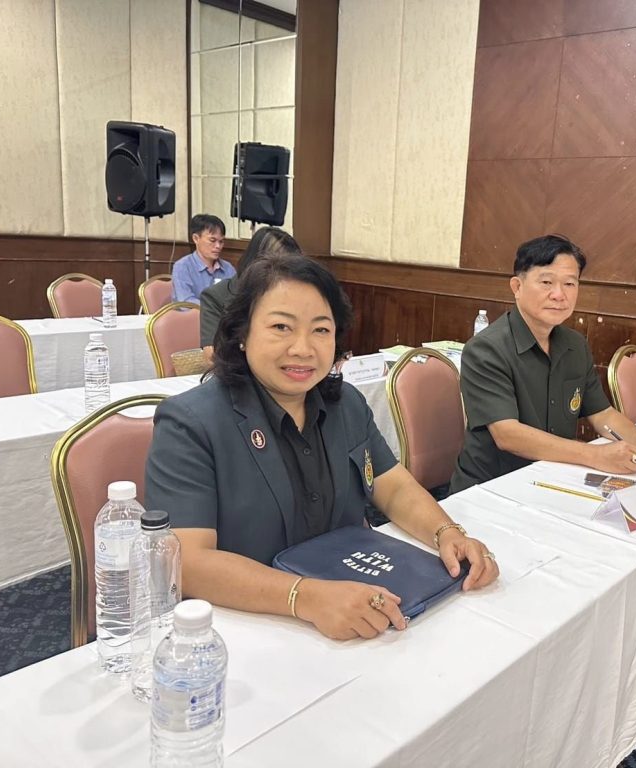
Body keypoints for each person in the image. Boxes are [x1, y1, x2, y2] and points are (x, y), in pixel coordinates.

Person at [145, 254, 498, 640]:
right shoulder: (191, 423)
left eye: (320, 330)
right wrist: (305, 597)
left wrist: (447, 533)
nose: (303, 348)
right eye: (281, 327)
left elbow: (393, 486)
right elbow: (188, 562)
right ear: (242, 333)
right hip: (247, 627)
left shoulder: (346, 404)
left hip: (352, 606)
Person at [450, 234, 636, 493]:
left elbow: (602, 414)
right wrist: (597, 455)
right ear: (517, 287)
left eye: (569, 283)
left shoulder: (575, 345)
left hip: (554, 477)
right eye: (546, 282)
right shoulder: (486, 349)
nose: (559, 295)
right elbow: (507, 434)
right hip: (491, 488)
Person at [199, 227, 301, 361]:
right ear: (255, 261)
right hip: (238, 371)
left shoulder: (296, 295)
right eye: (279, 266)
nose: (285, 274)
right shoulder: (216, 296)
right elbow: (212, 355)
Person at [171, 214, 236, 304]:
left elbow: (236, 298)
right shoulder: (182, 267)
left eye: (221, 241)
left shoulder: (228, 268)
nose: (218, 246)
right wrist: (214, 309)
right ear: (196, 238)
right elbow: (186, 302)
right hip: (193, 313)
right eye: (212, 240)